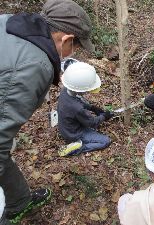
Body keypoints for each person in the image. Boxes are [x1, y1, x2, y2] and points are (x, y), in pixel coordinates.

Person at [0, 0, 94, 223]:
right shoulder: (34, 66)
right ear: (67, 40)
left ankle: (20, 200)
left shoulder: (8, 22)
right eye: (77, 47)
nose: (74, 52)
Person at [57, 62, 114, 156]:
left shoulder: (65, 91)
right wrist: (104, 116)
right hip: (74, 134)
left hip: (66, 128)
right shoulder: (77, 109)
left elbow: (79, 101)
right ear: (80, 89)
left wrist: (93, 108)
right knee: (105, 141)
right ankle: (77, 148)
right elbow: (92, 123)